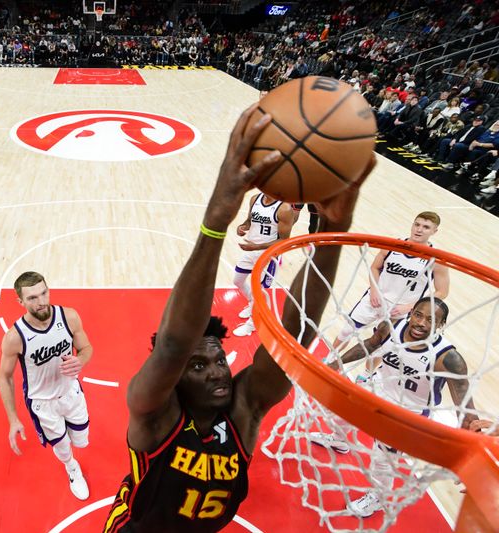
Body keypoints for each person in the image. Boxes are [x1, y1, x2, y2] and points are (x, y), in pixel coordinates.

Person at [103, 105, 376, 532]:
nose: (218, 371)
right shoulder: (154, 415)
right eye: (198, 366)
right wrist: (215, 223)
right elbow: (174, 344)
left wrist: (330, 234)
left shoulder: (243, 409)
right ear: (174, 378)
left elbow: (293, 338)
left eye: (218, 360)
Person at [316, 298, 477, 518]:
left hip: (408, 411)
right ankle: (339, 439)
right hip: (377, 387)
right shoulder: (392, 326)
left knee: (382, 461)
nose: (421, 323)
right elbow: (371, 345)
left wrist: (470, 453)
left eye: (431, 320)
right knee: (343, 408)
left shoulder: (448, 358)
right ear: (411, 313)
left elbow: (466, 407)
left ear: (441, 325)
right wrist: (336, 363)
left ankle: (379, 498)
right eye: (419, 315)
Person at [0, 271, 93, 500]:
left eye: (44, 293)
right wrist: (13, 419)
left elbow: (87, 348)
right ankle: (72, 468)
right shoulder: (15, 337)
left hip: (71, 393)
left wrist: (80, 360)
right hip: (43, 403)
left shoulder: (69, 317)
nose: (41, 302)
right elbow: (5, 377)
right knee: (62, 446)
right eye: (32, 298)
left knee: (81, 440)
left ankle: (71, 452)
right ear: (20, 301)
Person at [332, 211, 450, 354]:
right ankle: (329, 359)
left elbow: (442, 292)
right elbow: (375, 268)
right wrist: (374, 291)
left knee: (382, 344)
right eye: (417, 224)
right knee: (347, 330)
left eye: (425, 227)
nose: (419, 229)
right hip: (376, 298)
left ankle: (366, 375)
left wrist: (409, 307)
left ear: (434, 231)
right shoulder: (393, 245)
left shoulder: (436, 259)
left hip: (402, 309)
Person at [232, 192, 294, 337]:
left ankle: (252, 325)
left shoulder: (284, 209)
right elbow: (249, 221)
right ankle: (251, 303)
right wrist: (242, 227)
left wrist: (257, 247)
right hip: (251, 250)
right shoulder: (255, 199)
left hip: (268, 255)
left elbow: (284, 241)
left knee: (259, 291)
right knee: (238, 280)